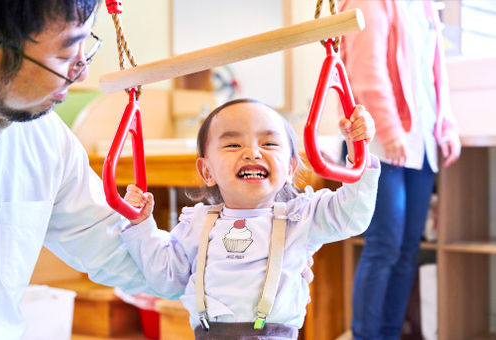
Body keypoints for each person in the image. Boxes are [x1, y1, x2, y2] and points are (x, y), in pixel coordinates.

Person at [0, 1, 183, 338]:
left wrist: (234, 261)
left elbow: (115, 247)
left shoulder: (43, 137)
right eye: (65, 55)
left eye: (85, 45)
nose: (82, 71)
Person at [121, 98, 381, 339]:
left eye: (268, 143)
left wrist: (360, 152)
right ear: (207, 170)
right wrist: (141, 224)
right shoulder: (197, 224)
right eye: (233, 144)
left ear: (290, 168)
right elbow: (166, 277)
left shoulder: (300, 218)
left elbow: (352, 214)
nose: (252, 152)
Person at [340, 1, 462, 339]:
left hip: (420, 144)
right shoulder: (369, 3)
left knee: (408, 249)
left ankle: (390, 334)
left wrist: (446, 127)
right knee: (384, 247)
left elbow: (434, 74)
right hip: (382, 143)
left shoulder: (421, 7)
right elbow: (368, 71)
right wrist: (390, 131)